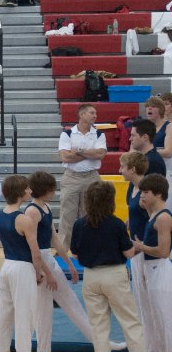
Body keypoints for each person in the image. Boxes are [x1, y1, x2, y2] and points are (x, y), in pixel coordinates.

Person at [26, 171, 125, 352]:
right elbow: (33, 247)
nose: (54, 193)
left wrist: (69, 265)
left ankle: (100, 342)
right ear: (44, 190)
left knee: (72, 303)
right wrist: (45, 273)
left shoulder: (45, 207)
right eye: (52, 190)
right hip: (39, 264)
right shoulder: (32, 212)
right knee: (43, 311)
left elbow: (54, 239)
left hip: (49, 260)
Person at [71, 181, 165, 352]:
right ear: (110, 201)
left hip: (91, 277)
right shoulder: (116, 224)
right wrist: (140, 246)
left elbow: (75, 253)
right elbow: (129, 253)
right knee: (131, 325)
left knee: (98, 328)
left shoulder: (79, 224)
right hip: (114, 275)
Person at [0, 174, 52, 352]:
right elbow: (35, 252)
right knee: (25, 320)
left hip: (6, 267)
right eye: (27, 189)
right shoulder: (24, 220)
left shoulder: (0, 215)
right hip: (22, 269)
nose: (30, 191)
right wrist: (38, 272)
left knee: (3, 318)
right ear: (20, 192)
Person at [131, 173, 172, 352]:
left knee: (165, 321)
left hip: (160, 270)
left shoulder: (164, 217)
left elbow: (164, 251)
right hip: (151, 270)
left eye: (146, 192)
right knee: (156, 320)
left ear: (158, 194)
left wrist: (141, 247)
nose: (142, 195)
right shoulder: (154, 214)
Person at [57, 103, 107, 251]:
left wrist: (78, 151)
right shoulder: (67, 134)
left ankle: (89, 247)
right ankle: (63, 250)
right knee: (67, 214)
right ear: (81, 114)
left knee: (91, 213)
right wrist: (90, 153)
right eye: (92, 113)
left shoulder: (99, 134)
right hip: (71, 177)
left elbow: (101, 155)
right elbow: (65, 157)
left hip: (92, 176)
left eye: (95, 113)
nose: (95, 116)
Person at [120, 151, 153, 339]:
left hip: (144, 249)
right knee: (139, 298)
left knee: (146, 298)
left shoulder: (145, 190)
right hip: (135, 249)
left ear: (132, 169)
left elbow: (154, 218)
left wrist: (145, 245)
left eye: (122, 167)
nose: (120, 170)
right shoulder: (133, 188)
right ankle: (144, 342)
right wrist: (130, 219)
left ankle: (151, 343)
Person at [147, 97, 172, 203]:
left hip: (166, 170)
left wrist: (149, 152)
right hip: (149, 169)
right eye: (148, 106)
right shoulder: (145, 128)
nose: (149, 108)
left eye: (153, 106)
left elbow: (168, 152)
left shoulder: (169, 126)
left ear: (161, 110)